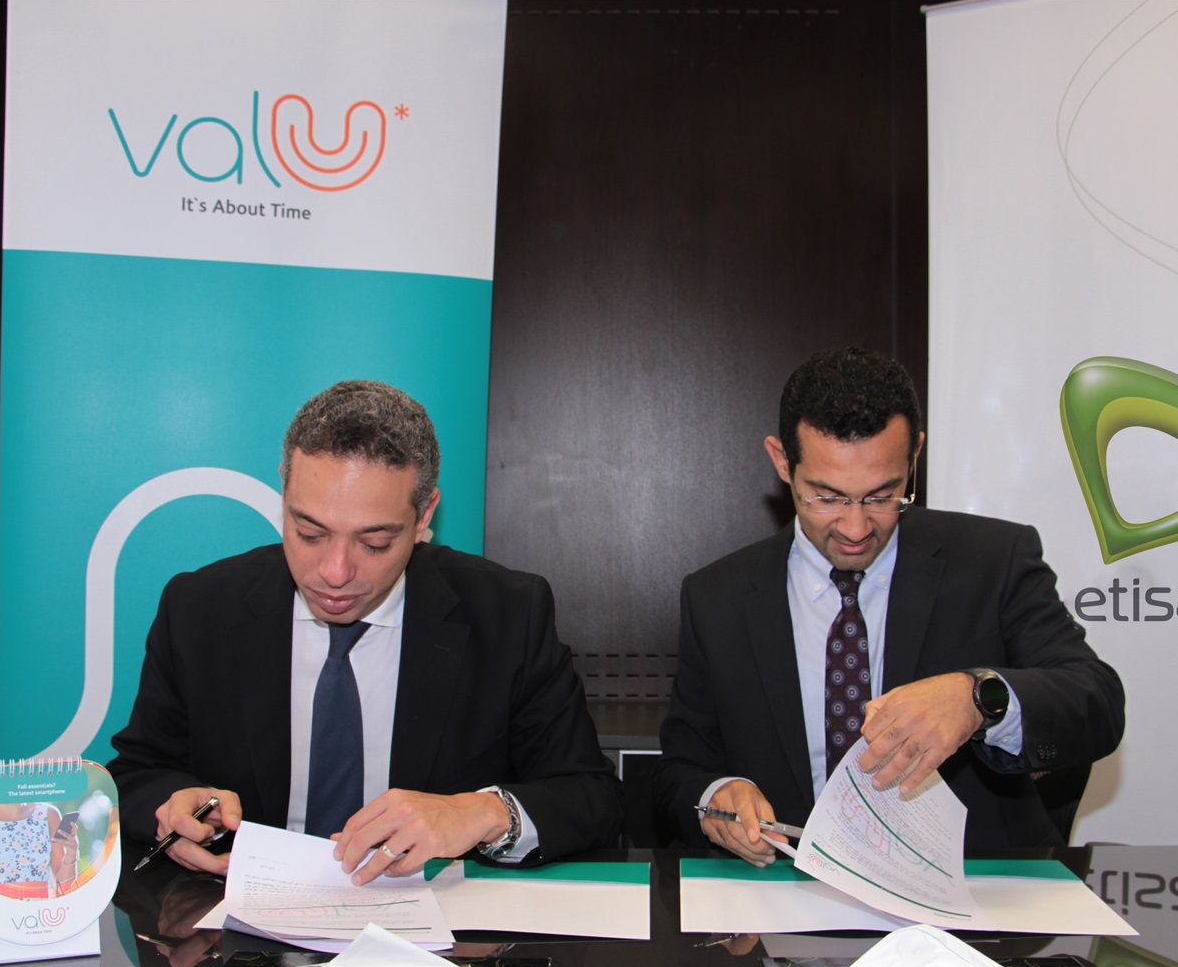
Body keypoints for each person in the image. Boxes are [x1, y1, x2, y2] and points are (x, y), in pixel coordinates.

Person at [108, 380, 621, 882]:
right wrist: (174, 808)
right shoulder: (201, 608)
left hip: (437, 922)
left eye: (374, 543)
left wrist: (484, 813)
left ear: (424, 516)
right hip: (236, 914)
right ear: (284, 492)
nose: (335, 573)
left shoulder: (507, 614)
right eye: (309, 532)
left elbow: (590, 796)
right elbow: (137, 773)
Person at [655, 347, 1124, 862]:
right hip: (790, 885)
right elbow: (680, 771)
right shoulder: (716, 597)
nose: (856, 527)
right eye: (826, 496)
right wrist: (716, 797)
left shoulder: (994, 561)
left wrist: (977, 698)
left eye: (883, 495)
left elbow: (1096, 702)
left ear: (914, 455)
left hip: (975, 886)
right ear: (782, 462)